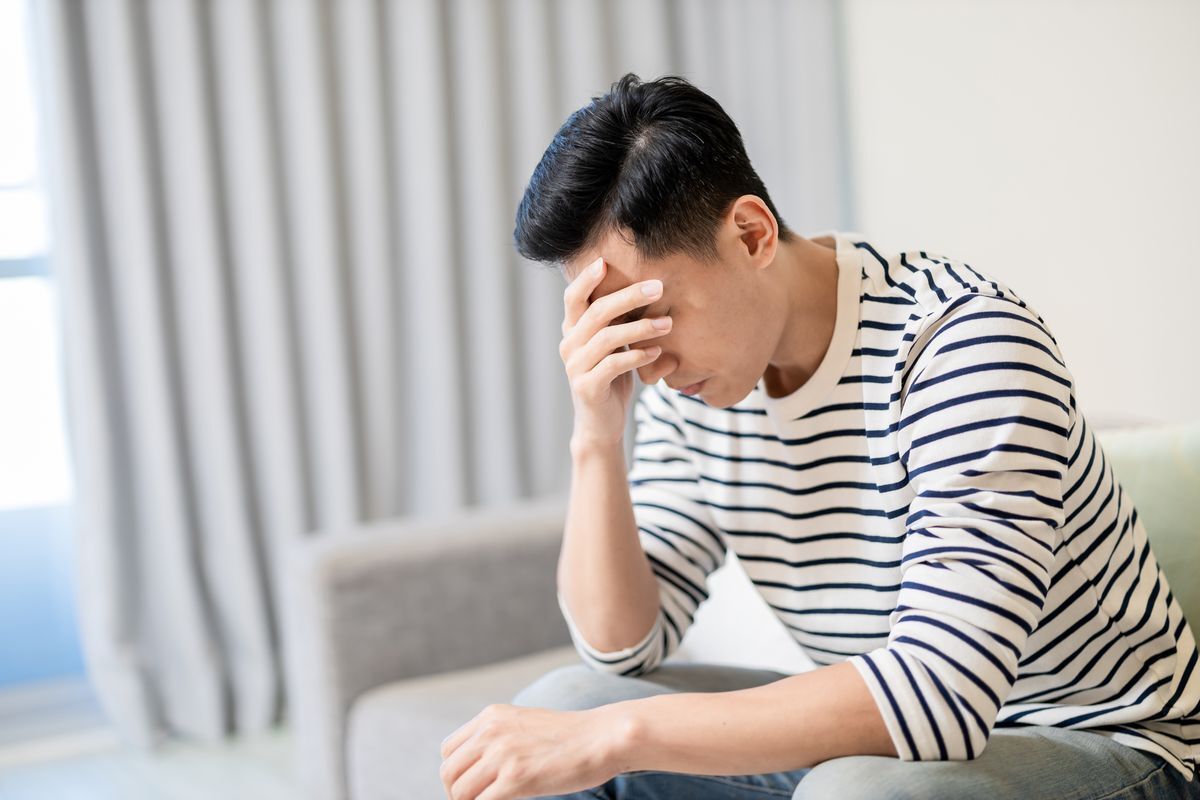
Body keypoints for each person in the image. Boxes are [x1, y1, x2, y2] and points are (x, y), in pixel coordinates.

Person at [437, 73, 1200, 800]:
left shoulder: (960, 343)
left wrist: (617, 736)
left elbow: (940, 694)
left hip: (1116, 749)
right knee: (563, 702)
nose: (649, 363)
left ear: (750, 233)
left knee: (846, 788)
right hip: (896, 756)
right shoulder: (687, 385)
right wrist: (595, 436)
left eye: (651, 316)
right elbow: (622, 648)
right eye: (617, 330)